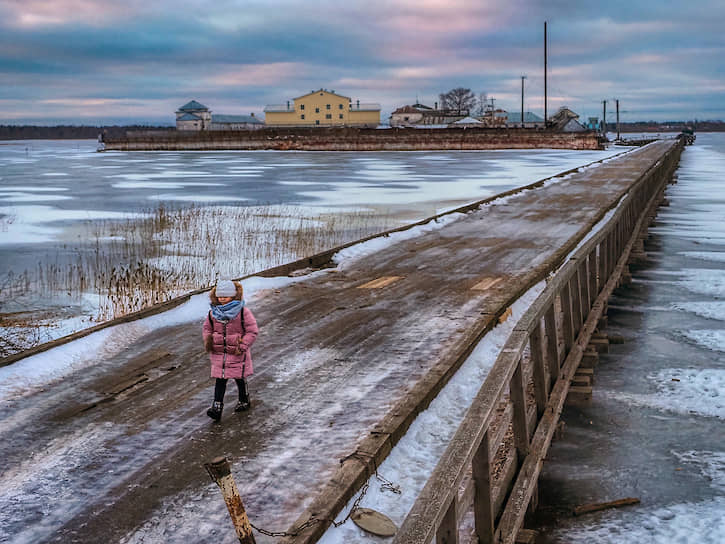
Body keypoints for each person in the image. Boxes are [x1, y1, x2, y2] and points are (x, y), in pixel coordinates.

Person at [202, 279, 259, 421]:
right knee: (220, 380)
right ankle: (217, 407)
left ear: (233, 296)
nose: (221, 299)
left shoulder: (242, 312)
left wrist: (243, 345)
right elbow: (207, 329)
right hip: (219, 352)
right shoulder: (213, 313)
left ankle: (244, 399)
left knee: (239, 377)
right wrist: (209, 340)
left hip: (237, 352)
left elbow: (252, 331)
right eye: (219, 296)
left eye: (225, 297)